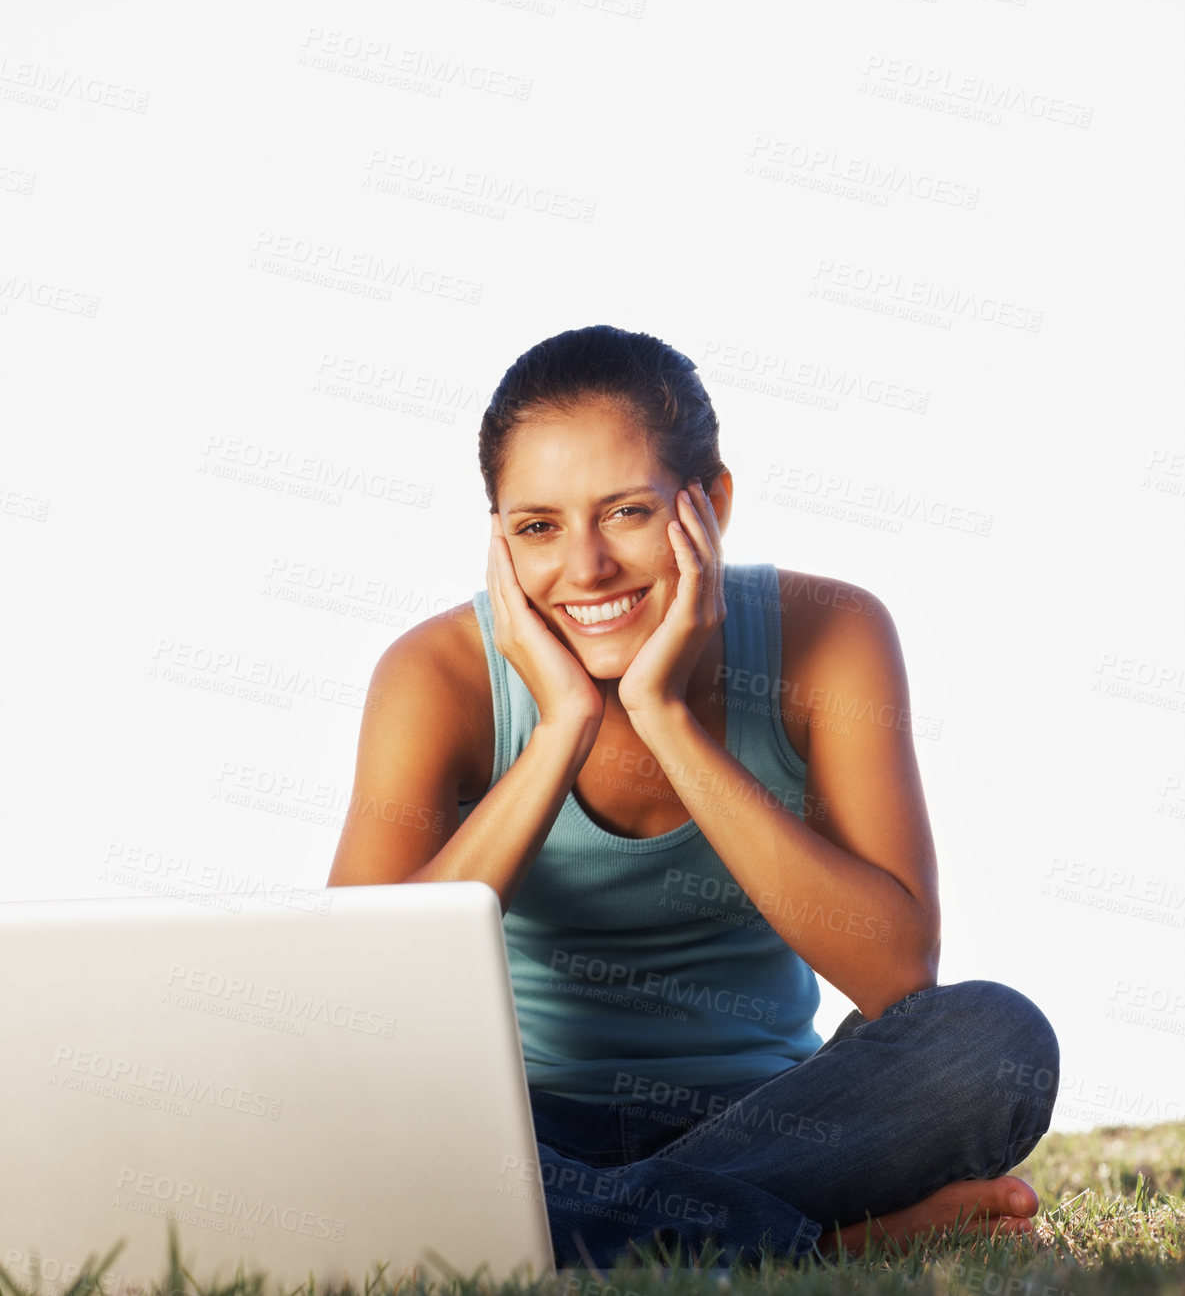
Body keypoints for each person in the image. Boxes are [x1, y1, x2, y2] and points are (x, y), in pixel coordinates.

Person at [327, 324, 1059, 1267]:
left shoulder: (829, 633)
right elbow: (356, 990)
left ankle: (608, 1233)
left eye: (626, 512)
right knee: (350, 1120)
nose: (584, 568)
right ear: (499, 538)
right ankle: (821, 1245)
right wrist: (557, 732)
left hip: (775, 1118)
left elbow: (895, 974)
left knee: (990, 1040)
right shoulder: (437, 675)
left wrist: (664, 717)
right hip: (521, 1130)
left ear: (708, 500)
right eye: (537, 527)